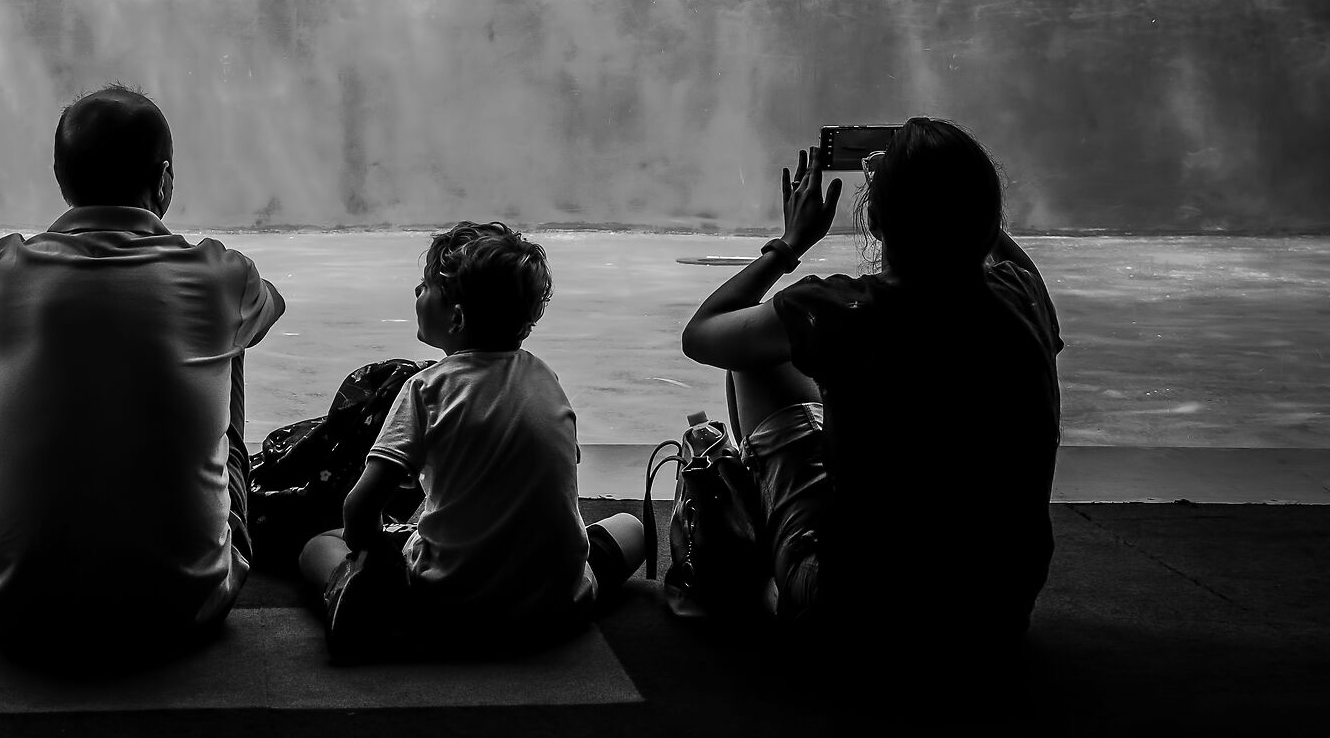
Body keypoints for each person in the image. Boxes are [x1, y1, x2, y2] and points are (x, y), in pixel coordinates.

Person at [679, 118, 1063, 652]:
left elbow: (701, 335)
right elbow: (985, 249)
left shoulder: (843, 311)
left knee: (755, 362)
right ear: (984, 214)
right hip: (996, 614)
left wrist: (790, 244)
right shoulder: (1022, 296)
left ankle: (765, 576)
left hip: (861, 618)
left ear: (877, 219)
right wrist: (947, 186)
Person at [0, 86, 285, 652]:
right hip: (184, 607)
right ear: (165, 178)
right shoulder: (222, 274)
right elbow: (272, 304)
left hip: (15, 607)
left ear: (58, 174)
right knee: (232, 332)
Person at [297, 222, 647, 659]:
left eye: (426, 286)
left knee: (321, 544)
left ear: (457, 318)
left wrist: (375, 557)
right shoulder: (546, 378)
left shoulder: (426, 388)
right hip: (557, 606)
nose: (416, 292)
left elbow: (360, 507)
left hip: (447, 605)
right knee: (631, 528)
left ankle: (358, 597)